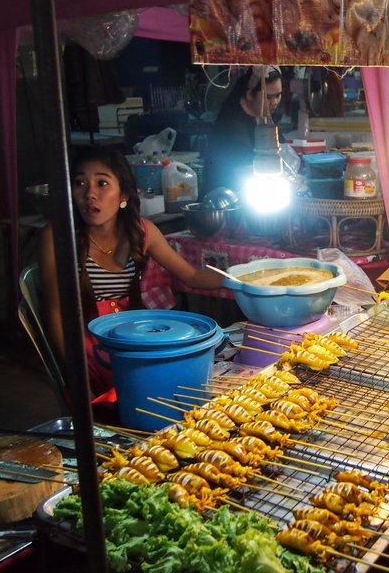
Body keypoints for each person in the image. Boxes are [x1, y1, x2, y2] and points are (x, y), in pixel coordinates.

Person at [39, 145, 223, 397]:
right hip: (86, 349)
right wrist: (75, 370)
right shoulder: (57, 236)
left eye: (102, 184)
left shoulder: (141, 231)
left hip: (133, 340)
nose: (90, 194)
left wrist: (246, 278)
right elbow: (55, 312)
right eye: (80, 183)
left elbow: (192, 276)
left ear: (123, 194)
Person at [203, 65, 283, 195]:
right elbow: (244, 173)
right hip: (224, 199)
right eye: (268, 97)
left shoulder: (264, 118)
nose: (274, 102)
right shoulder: (233, 125)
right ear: (250, 94)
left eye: (278, 96)